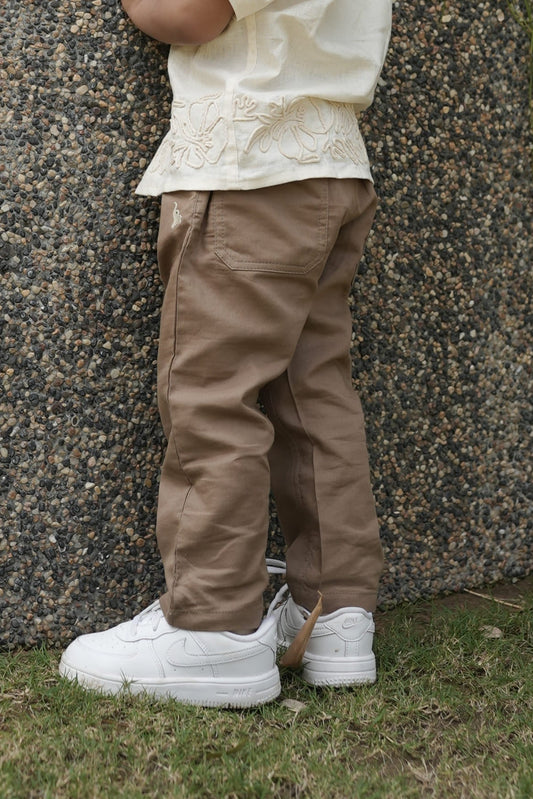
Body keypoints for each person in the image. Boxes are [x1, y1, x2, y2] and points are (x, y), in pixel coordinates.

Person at [59, 0, 392, 707]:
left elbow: (190, 12)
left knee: (212, 394)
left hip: (247, 165)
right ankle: (334, 614)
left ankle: (215, 624)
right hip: (329, 164)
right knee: (315, 393)